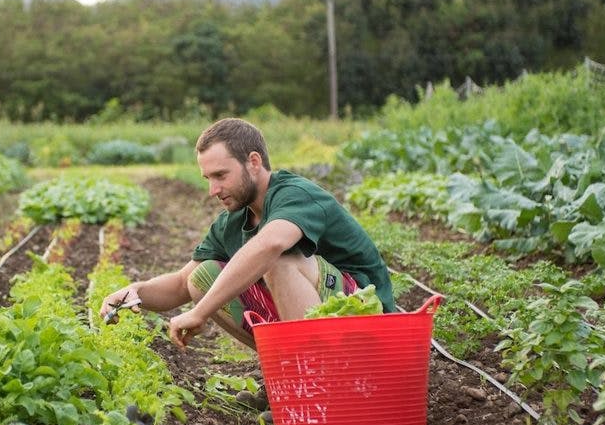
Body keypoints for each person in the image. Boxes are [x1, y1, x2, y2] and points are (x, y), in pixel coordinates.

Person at [98, 117, 396, 352]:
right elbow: (179, 284)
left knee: (277, 261)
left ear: (253, 162)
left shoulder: (295, 194)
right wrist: (135, 292)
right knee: (202, 277)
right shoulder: (233, 220)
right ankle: (288, 373)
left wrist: (200, 313)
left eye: (220, 175)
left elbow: (271, 245)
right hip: (319, 323)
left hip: (368, 319)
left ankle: (316, 381)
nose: (212, 190)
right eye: (208, 179)